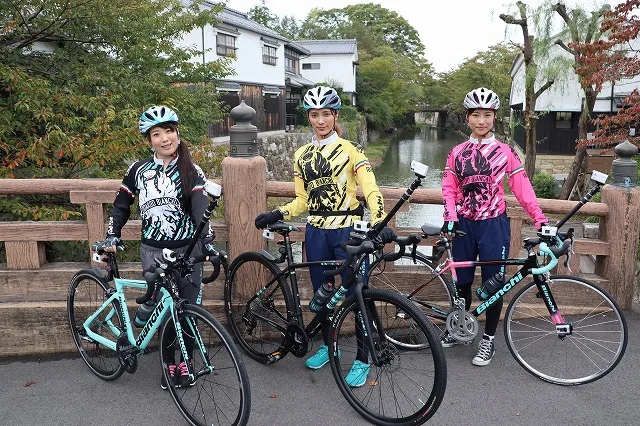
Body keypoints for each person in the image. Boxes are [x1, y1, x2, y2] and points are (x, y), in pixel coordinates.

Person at [254, 86, 395, 387]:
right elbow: (302, 201)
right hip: (316, 232)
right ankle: (326, 346)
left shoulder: (351, 150)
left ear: (335, 115)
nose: (320, 121)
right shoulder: (301, 155)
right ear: (308, 117)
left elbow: (371, 189)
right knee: (324, 294)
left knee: (358, 296)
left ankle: (362, 357)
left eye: (326, 114)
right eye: (314, 115)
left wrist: (380, 221)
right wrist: (278, 213)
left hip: (348, 232)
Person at [104, 105, 216, 388]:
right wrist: (112, 235)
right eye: (157, 134)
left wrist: (209, 244)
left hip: (187, 252)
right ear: (149, 139)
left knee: (188, 309)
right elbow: (121, 205)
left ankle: (187, 362)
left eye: (170, 131)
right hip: (153, 251)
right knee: (165, 311)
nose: (165, 138)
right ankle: (168, 364)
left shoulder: (191, 170)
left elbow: (202, 211)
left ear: (177, 133)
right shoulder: (138, 170)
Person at [440, 87, 548, 366]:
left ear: (494, 118)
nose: (481, 121)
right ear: (467, 118)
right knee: (461, 281)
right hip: (463, 224)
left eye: (487, 115)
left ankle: (488, 340)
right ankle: (459, 327)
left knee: (494, 285)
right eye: (475, 115)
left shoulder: (506, 152)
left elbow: (523, 190)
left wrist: (540, 219)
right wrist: (450, 215)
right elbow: (449, 187)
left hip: (493, 225)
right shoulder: (457, 152)